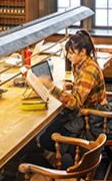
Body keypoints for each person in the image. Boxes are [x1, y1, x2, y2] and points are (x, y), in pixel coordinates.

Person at [32, 30, 104, 164]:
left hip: (90, 118)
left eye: (71, 53)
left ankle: (60, 158)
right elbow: (84, 90)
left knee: (46, 139)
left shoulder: (88, 70)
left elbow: (75, 103)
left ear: (82, 52)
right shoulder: (83, 64)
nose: (68, 57)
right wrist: (72, 86)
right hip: (87, 112)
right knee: (53, 124)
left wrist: (51, 87)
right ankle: (47, 156)